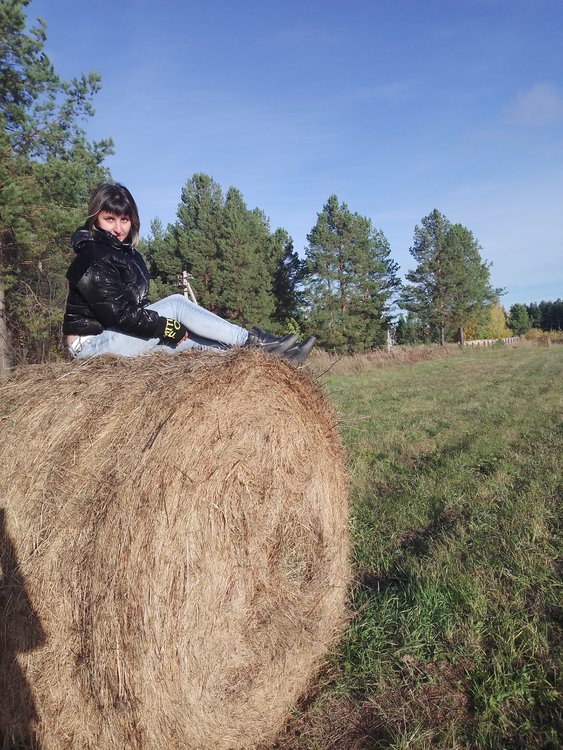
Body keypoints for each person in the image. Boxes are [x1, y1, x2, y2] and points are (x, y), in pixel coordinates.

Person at [63, 183, 315, 364]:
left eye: (125, 220)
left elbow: (137, 307)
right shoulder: (93, 254)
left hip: (124, 338)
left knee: (213, 349)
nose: (119, 229)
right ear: (95, 219)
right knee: (176, 304)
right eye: (110, 219)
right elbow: (117, 314)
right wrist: (165, 326)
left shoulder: (129, 255)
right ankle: (253, 339)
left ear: (133, 221)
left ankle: (273, 360)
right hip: (91, 347)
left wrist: (171, 329)